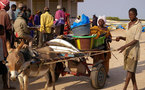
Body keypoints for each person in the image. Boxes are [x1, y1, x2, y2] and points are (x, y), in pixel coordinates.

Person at [116, 8, 142, 90]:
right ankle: (135, 88)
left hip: (133, 52)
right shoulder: (128, 24)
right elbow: (127, 38)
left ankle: (124, 88)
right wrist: (120, 37)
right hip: (127, 51)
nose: (130, 16)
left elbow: (135, 40)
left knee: (129, 71)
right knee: (131, 71)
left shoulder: (139, 25)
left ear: (136, 14)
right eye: (129, 14)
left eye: (132, 14)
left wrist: (124, 46)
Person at [0, 0, 14, 89]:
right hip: (4, 40)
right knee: (5, 64)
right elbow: (9, 29)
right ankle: (6, 85)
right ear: (5, 6)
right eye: (8, 5)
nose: (9, 7)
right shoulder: (5, 14)